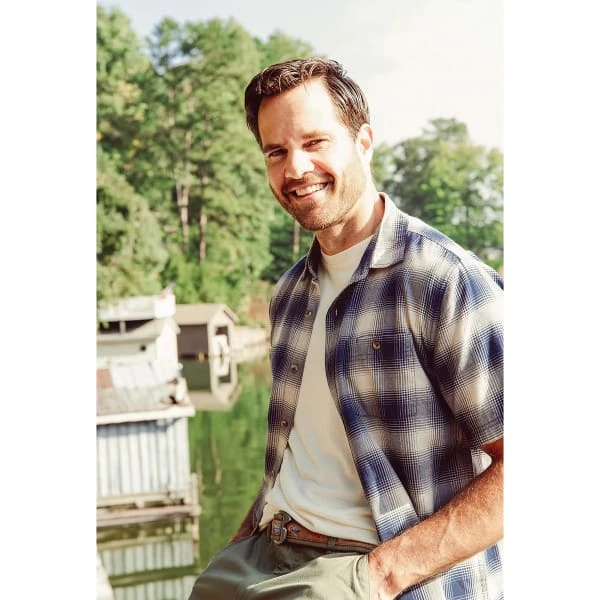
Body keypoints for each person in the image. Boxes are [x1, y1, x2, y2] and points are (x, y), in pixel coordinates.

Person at [188, 57, 503, 600]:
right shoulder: (290, 293)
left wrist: (383, 574)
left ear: (364, 142)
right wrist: (237, 549)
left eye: (315, 142)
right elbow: (294, 456)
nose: (295, 167)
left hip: (371, 570)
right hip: (261, 557)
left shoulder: (443, 279)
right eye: (276, 152)